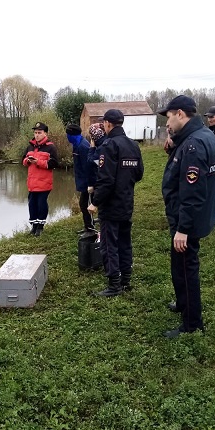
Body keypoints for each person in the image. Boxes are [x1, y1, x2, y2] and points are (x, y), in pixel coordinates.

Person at [158, 95, 215, 338]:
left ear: (181, 114)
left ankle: (192, 324)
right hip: (195, 217)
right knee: (179, 266)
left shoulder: (193, 145)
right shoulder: (203, 136)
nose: (167, 123)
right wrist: (174, 147)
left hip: (188, 221)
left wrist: (183, 228)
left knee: (186, 269)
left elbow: (192, 192)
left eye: (169, 117)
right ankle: (183, 303)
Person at [90, 109, 144, 297]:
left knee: (109, 244)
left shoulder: (108, 145)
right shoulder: (133, 145)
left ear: (108, 124)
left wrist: (95, 202)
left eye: (104, 123)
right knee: (124, 241)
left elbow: (106, 180)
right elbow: (139, 174)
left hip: (111, 205)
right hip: (127, 202)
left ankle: (114, 285)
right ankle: (126, 279)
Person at [22, 122, 58, 236]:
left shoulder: (50, 147)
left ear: (45, 133)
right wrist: (27, 161)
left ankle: (40, 227)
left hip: (44, 182)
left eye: (39, 133)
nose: (37, 135)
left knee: (41, 204)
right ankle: (34, 227)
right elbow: (23, 160)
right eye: (35, 132)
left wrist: (38, 162)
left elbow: (54, 163)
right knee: (32, 204)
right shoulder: (30, 146)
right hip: (32, 183)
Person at [65, 123, 95, 234]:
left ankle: (90, 228)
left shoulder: (83, 146)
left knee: (85, 204)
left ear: (72, 135)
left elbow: (89, 166)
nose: (66, 136)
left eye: (68, 134)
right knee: (83, 204)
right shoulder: (76, 144)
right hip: (82, 181)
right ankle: (88, 226)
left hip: (87, 182)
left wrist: (90, 184)